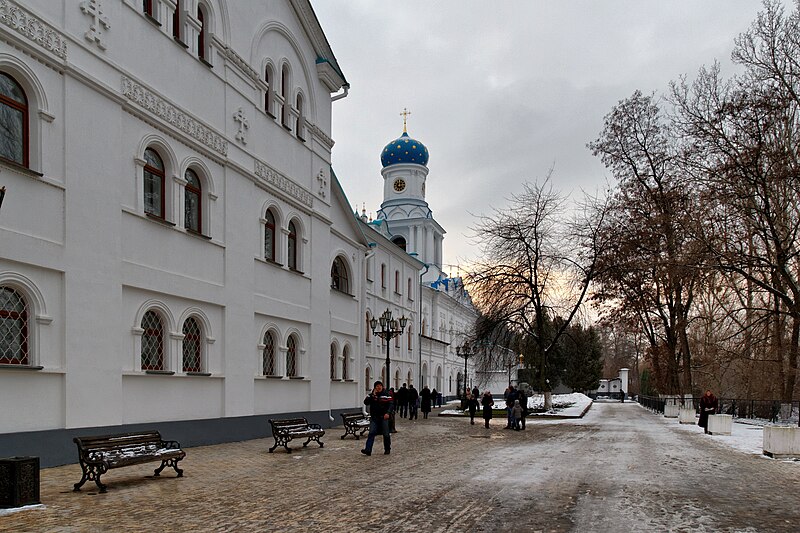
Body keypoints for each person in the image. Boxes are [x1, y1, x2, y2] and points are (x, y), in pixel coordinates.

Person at [362, 380, 394, 456]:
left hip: (384, 417)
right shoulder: (371, 395)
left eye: (380, 386)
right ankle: (368, 450)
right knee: (371, 433)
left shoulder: (386, 394)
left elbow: (391, 404)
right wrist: (373, 395)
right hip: (374, 417)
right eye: (377, 386)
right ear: (375, 387)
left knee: (386, 434)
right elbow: (366, 402)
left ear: (382, 387)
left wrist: (388, 413)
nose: (378, 387)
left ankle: (387, 449)